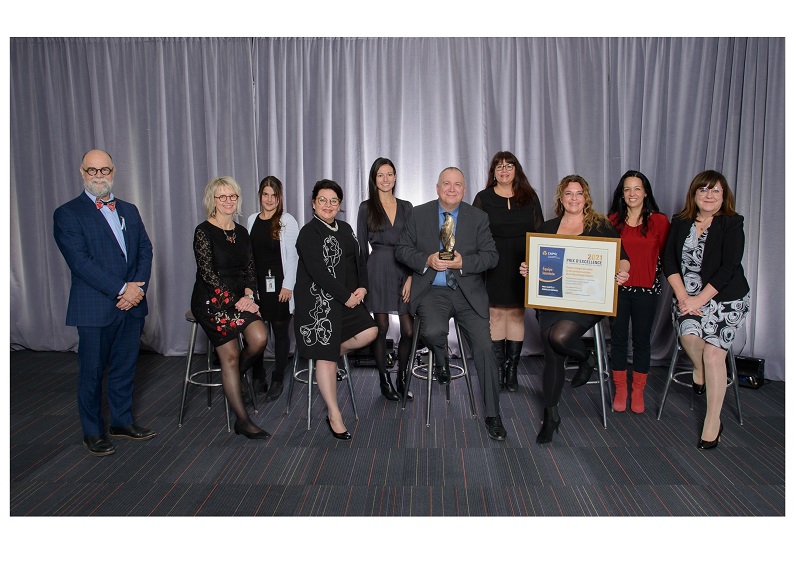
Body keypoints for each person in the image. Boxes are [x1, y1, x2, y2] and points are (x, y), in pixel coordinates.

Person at [53, 149, 156, 456]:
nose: (99, 176)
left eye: (104, 170)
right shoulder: (68, 213)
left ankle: (122, 422)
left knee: (125, 368)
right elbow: (80, 262)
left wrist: (136, 290)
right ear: (82, 172)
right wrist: (122, 289)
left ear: (113, 171)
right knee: (92, 372)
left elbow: (145, 250)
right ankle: (93, 431)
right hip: (95, 308)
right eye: (92, 170)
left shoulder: (129, 210)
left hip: (132, 305)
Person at [396, 167, 507, 441]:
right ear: (437, 187)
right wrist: (426, 260)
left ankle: (493, 415)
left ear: (464, 190)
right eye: (447, 184)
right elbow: (402, 249)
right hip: (433, 291)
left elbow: (491, 256)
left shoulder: (478, 217)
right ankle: (442, 359)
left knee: (485, 349)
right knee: (433, 331)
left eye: (458, 184)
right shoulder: (418, 214)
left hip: (468, 293)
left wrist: (463, 263)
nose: (452, 189)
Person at [520, 175, 630, 445]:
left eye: (578, 193)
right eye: (568, 193)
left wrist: (622, 273)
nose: (573, 198)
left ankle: (586, 358)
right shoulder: (547, 228)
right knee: (551, 348)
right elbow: (536, 263)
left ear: (586, 197)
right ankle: (551, 416)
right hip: (553, 300)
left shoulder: (600, 226)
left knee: (558, 337)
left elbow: (623, 258)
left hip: (588, 301)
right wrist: (527, 269)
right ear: (561, 197)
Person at [662, 170, 750, 450]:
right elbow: (668, 261)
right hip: (686, 296)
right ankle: (698, 369)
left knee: (713, 355)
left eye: (715, 190)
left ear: (724, 196)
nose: (709, 195)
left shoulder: (732, 223)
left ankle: (713, 421)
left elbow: (728, 269)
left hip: (725, 301)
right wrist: (683, 297)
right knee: (689, 337)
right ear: (694, 194)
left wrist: (699, 300)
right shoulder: (680, 221)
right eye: (703, 189)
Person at [294, 179, 378, 441]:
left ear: (339, 204)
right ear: (313, 203)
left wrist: (362, 287)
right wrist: (345, 297)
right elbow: (318, 273)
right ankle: (334, 414)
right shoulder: (308, 233)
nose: (328, 205)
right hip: (318, 303)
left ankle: (328, 353)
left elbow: (360, 259)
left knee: (370, 332)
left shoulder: (345, 228)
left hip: (347, 300)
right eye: (323, 200)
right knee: (327, 356)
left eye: (334, 201)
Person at [191, 176, 270, 440]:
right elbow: (208, 275)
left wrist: (249, 294)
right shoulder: (203, 231)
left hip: (240, 297)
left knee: (259, 338)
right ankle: (243, 421)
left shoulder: (242, 232)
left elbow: (250, 269)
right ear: (212, 200)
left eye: (232, 196)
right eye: (222, 196)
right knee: (231, 356)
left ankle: (236, 375)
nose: (228, 201)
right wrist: (236, 300)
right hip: (212, 300)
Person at [473, 151, 543, 392]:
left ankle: (511, 371)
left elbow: (540, 231)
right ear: (493, 171)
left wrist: (535, 263)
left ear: (516, 170)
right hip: (493, 261)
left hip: (522, 263)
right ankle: (498, 370)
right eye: (499, 166)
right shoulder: (483, 197)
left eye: (509, 166)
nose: (504, 170)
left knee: (516, 315)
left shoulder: (530, 196)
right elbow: (474, 233)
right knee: (495, 315)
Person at [607, 170, 670, 413]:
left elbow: (666, 257)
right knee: (618, 340)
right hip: (618, 290)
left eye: (637, 188)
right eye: (627, 189)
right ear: (621, 194)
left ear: (645, 192)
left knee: (642, 341)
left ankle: (638, 390)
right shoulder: (612, 221)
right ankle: (621, 389)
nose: (632, 194)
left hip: (647, 290)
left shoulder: (659, 221)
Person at [356, 158, 414, 401]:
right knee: (381, 328)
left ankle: (402, 376)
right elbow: (361, 249)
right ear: (374, 179)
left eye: (389, 174)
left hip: (403, 269)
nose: (385, 179)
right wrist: (361, 283)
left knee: (409, 331)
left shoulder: (407, 207)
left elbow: (414, 244)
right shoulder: (366, 208)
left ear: (396, 177)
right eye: (380, 175)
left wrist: (411, 276)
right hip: (377, 270)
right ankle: (384, 380)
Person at [246, 176, 299, 402]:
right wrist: (249, 288)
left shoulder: (287, 220)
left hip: (280, 285)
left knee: (280, 332)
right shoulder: (252, 220)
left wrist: (288, 286)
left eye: (274, 195)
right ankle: (258, 376)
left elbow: (294, 257)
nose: (269, 199)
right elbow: (249, 256)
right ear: (260, 195)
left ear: (280, 197)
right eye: (265, 194)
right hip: (257, 285)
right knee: (256, 332)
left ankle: (278, 378)